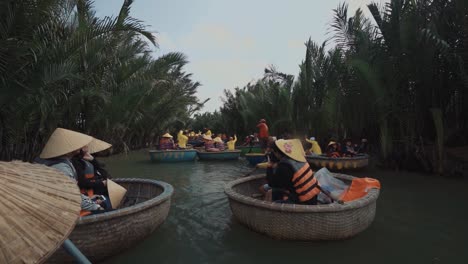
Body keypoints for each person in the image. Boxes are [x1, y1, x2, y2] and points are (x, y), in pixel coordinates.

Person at [35, 128, 106, 214]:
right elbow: (73, 196)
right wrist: (97, 207)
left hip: (64, 201)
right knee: (105, 208)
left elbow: (72, 192)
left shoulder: (58, 162)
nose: (80, 147)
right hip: (60, 209)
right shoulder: (61, 167)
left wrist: (88, 199)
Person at [262, 139, 321, 205]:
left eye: (274, 152)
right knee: (274, 193)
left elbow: (272, 183)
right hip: (314, 197)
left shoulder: (284, 166)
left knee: (274, 201)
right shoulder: (299, 158)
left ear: (277, 153)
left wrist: (269, 166)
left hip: (304, 201)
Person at [71, 139, 113, 210]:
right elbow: (82, 182)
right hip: (89, 195)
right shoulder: (76, 162)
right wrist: (101, 183)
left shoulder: (89, 160)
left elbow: (107, 176)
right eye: (84, 145)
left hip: (97, 193)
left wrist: (93, 160)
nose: (87, 147)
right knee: (107, 203)